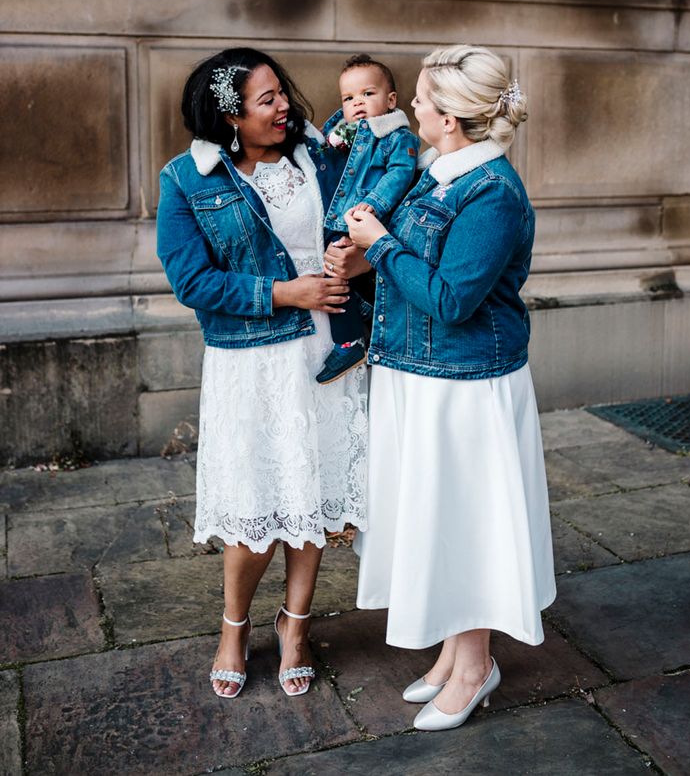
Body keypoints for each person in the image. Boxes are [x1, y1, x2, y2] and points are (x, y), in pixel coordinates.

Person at [341, 44, 556, 732]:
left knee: (464, 526)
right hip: (419, 378)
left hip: (464, 387)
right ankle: (452, 656)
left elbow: (453, 299)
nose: (410, 106)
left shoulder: (491, 192)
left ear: (452, 121)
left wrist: (378, 244)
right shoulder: (436, 173)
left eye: (423, 101)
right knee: (437, 521)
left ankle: (473, 668)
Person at [156, 47, 368, 700]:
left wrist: (356, 268)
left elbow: (375, 225)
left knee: (314, 499)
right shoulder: (186, 180)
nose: (284, 107)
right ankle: (234, 626)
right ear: (230, 119)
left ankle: (296, 625)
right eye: (265, 101)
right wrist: (286, 293)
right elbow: (192, 280)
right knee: (256, 508)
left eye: (282, 92)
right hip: (251, 362)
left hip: (327, 348)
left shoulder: (323, 153)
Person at [316, 54, 419, 384]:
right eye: (349, 98)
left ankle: (354, 338)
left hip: (367, 220)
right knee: (336, 278)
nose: (357, 103)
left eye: (367, 94)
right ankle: (352, 335)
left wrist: (373, 203)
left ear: (391, 101)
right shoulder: (341, 136)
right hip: (337, 220)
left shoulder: (396, 137)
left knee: (355, 277)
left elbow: (400, 173)